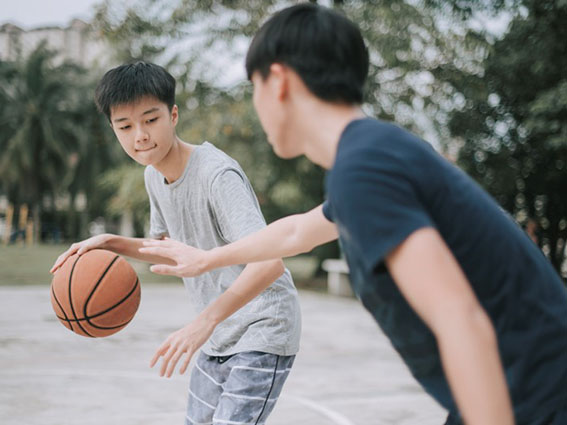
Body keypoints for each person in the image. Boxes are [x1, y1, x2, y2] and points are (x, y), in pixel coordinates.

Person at [139, 4, 567, 425]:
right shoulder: (373, 153)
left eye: (253, 86)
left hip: (533, 393)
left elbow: (460, 319)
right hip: (512, 383)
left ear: (279, 81)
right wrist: (208, 259)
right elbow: (296, 233)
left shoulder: (364, 167)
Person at [50, 62, 301, 425]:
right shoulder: (154, 176)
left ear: (173, 115)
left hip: (263, 325)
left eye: (150, 120)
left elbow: (270, 263)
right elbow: (166, 247)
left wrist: (204, 322)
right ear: (113, 130)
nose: (140, 135)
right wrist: (109, 242)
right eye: (125, 126)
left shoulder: (217, 175)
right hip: (220, 332)